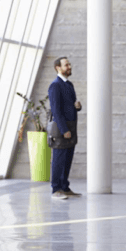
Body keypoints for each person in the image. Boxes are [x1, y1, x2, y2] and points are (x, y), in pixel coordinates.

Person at [48, 56, 82, 199]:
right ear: (58, 68)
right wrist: (64, 130)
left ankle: (65, 187)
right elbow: (56, 110)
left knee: (67, 159)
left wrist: (77, 107)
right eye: (66, 65)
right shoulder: (55, 85)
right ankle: (56, 190)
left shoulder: (69, 85)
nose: (69, 67)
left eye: (69, 64)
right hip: (62, 128)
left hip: (71, 126)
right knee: (59, 159)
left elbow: (69, 105)